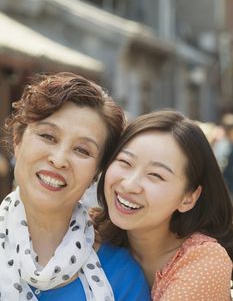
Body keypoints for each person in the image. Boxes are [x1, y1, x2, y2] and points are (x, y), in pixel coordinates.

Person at [0, 72, 150, 301]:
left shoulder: (121, 275)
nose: (59, 160)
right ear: (18, 141)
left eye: (82, 150)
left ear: (97, 172)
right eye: (48, 136)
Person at [94, 110, 233, 300]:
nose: (129, 185)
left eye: (156, 175)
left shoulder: (204, 260)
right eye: (125, 162)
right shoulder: (88, 233)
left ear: (188, 198)